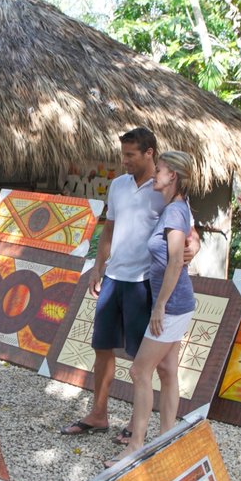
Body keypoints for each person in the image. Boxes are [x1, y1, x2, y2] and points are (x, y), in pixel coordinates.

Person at [60, 128, 198, 438]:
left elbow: (187, 226)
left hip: (143, 283)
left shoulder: (163, 187)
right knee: (102, 347)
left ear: (149, 153)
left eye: (130, 155)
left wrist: (194, 246)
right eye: (123, 154)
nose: (124, 161)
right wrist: (98, 266)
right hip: (113, 277)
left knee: (141, 361)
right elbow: (109, 229)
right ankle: (98, 414)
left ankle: (135, 429)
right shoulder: (119, 185)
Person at [106, 151, 197, 466]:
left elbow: (175, 262)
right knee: (167, 371)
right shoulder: (176, 208)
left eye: (159, 170)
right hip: (177, 303)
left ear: (172, 176)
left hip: (172, 305)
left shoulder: (174, 213)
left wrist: (159, 307)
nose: (154, 173)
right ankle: (167, 439)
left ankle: (137, 445)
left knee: (139, 370)